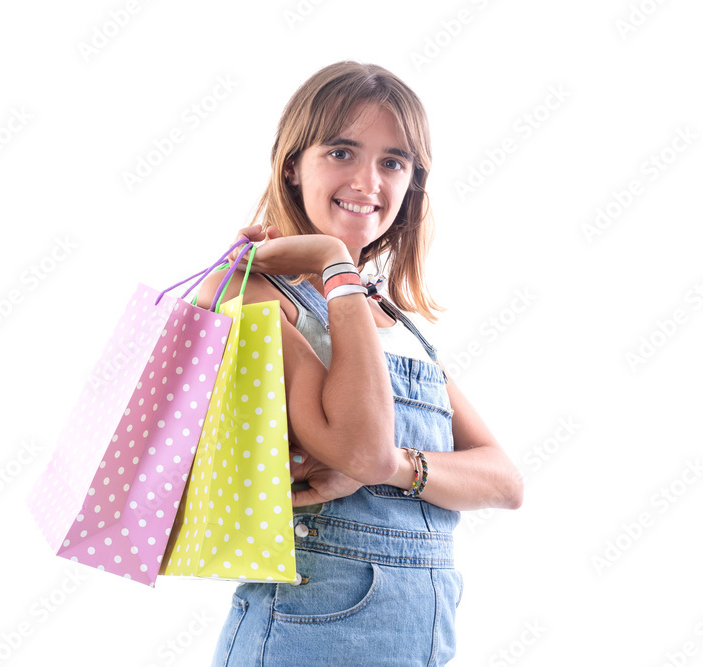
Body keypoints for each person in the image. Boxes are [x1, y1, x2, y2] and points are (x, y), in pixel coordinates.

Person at [195, 61, 524, 666]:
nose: (367, 181)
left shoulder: (393, 320)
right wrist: (329, 259)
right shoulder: (255, 293)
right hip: (309, 629)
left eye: (393, 161)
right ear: (293, 164)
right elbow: (363, 449)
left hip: (421, 632)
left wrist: (398, 467)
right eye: (341, 152)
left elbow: (505, 482)